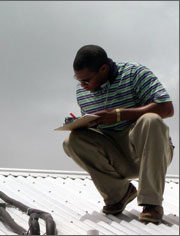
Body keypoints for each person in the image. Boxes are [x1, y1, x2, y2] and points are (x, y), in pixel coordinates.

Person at [63, 45, 174, 224]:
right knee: (72, 141)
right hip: (116, 153)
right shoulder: (81, 92)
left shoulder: (135, 73)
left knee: (151, 120)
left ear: (103, 69)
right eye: (79, 80)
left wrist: (119, 115)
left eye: (87, 81)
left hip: (148, 150)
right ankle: (119, 194)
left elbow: (167, 108)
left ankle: (151, 204)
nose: (83, 86)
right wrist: (80, 125)